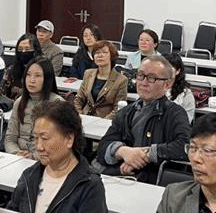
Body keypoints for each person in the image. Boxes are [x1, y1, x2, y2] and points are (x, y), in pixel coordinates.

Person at [6, 100, 108, 213]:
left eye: (45, 138)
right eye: (35, 138)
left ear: (69, 139)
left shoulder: (89, 186)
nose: (39, 147)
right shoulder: (29, 175)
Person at [97, 55, 191, 183]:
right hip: (122, 178)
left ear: (167, 84)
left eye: (151, 78)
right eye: (140, 75)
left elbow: (185, 147)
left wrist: (145, 154)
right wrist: (122, 152)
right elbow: (103, 145)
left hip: (155, 182)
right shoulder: (126, 111)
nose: (143, 82)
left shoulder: (175, 113)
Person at [5, 57, 64, 159]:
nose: (31, 80)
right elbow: (10, 138)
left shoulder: (57, 104)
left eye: (37, 76)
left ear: (47, 79)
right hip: (18, 158)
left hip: (44, 159)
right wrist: (16, 153)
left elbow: (58, 144)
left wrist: (33, 157)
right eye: (28, 75)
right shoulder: (19, 102)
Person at [74, 40, 127, 120]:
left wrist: (101, 122)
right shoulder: (88, 73)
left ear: (111, 56)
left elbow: (118, 109)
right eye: (97, 53)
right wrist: (79, 116)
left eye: (104, 52)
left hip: (105, 120)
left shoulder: (121, 80)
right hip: (84, 117)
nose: (100, 55)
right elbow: (79, 99)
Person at [0, 33, 42, 102]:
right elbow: (1, 94)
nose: (23, 52)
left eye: (27, 49)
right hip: (11, 106)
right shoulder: (11, 70)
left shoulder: (42, 70)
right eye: (20, 49)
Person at [164, 52, 196, 123]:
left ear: (178, 71)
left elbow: (186, 121)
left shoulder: (186, 94)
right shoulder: (152, 87)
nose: (166, 70)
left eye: (170, 67)